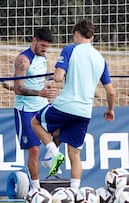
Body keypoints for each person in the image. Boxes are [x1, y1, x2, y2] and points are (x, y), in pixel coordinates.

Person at [31, 19, 115, 190]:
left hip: (66, 105)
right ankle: (74, 193)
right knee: (75, 154)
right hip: (84, 111)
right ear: (92, 36)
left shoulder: (70, 49)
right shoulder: (101, 59)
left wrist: (57, 75)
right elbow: (111, 91)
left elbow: (58, 77)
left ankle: (54, 154)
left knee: (35, 122)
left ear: (76, 34)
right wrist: (110, 109)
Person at [13, 27, 58, 189]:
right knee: (34, 150)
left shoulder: (44, 56)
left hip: (43, 106)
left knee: (62, 129)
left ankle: (49, 156)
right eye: (42, 46)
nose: (45, 49)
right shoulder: (23, 60)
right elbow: (18, 88)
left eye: (47, 47)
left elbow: (41, 78)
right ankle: (36, 188)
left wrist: (48, 86)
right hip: (26, 109)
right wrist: (40, 93)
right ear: (34, 40)